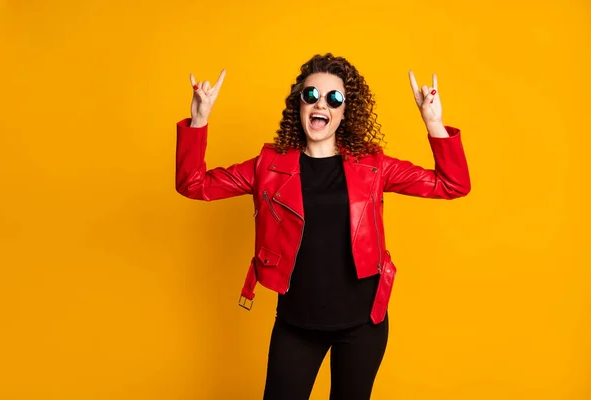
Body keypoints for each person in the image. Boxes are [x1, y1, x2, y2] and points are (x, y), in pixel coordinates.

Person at [175, 53, 471, 400]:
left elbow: (453, 184)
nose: (322, 105)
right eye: (311, 95)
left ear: (346, 112)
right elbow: (194, 184)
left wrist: (434, 123)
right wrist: (199, 120)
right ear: (298, 104)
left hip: (364, 324)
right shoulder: (267, 166)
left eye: (334, 99)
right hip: (297, 324)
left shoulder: (373, 166)